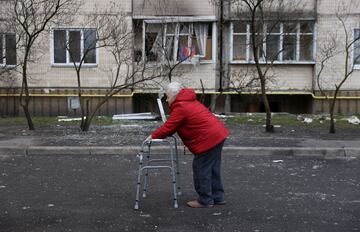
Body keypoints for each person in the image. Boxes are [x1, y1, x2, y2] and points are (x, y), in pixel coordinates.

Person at [147, 82, 229, 208]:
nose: (167, 100)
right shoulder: (188, 101)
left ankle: (205, 200)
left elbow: (169, 127)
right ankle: (217, 197)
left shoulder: (181, 106)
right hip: (217, 135)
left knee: (201, 168)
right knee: (212, 168)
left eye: (168, 97)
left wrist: (153, 136)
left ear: (174, 96)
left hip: (208, 139)